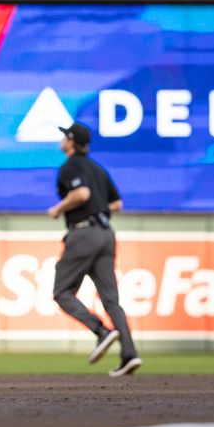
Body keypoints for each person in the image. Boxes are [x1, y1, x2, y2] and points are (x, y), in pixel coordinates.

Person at [47, 122, 142, 377]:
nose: (62, 140)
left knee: (62, 292)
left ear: (71, 141)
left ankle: (101, 331)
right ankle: (129, 355)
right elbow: (117, 203)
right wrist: (97, 213)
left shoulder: (71, 165)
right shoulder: (98, 168)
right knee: (112, 300)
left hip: (83, 234)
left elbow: (82, 194)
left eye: (65, 136)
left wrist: (58, 209)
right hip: (106, 234)